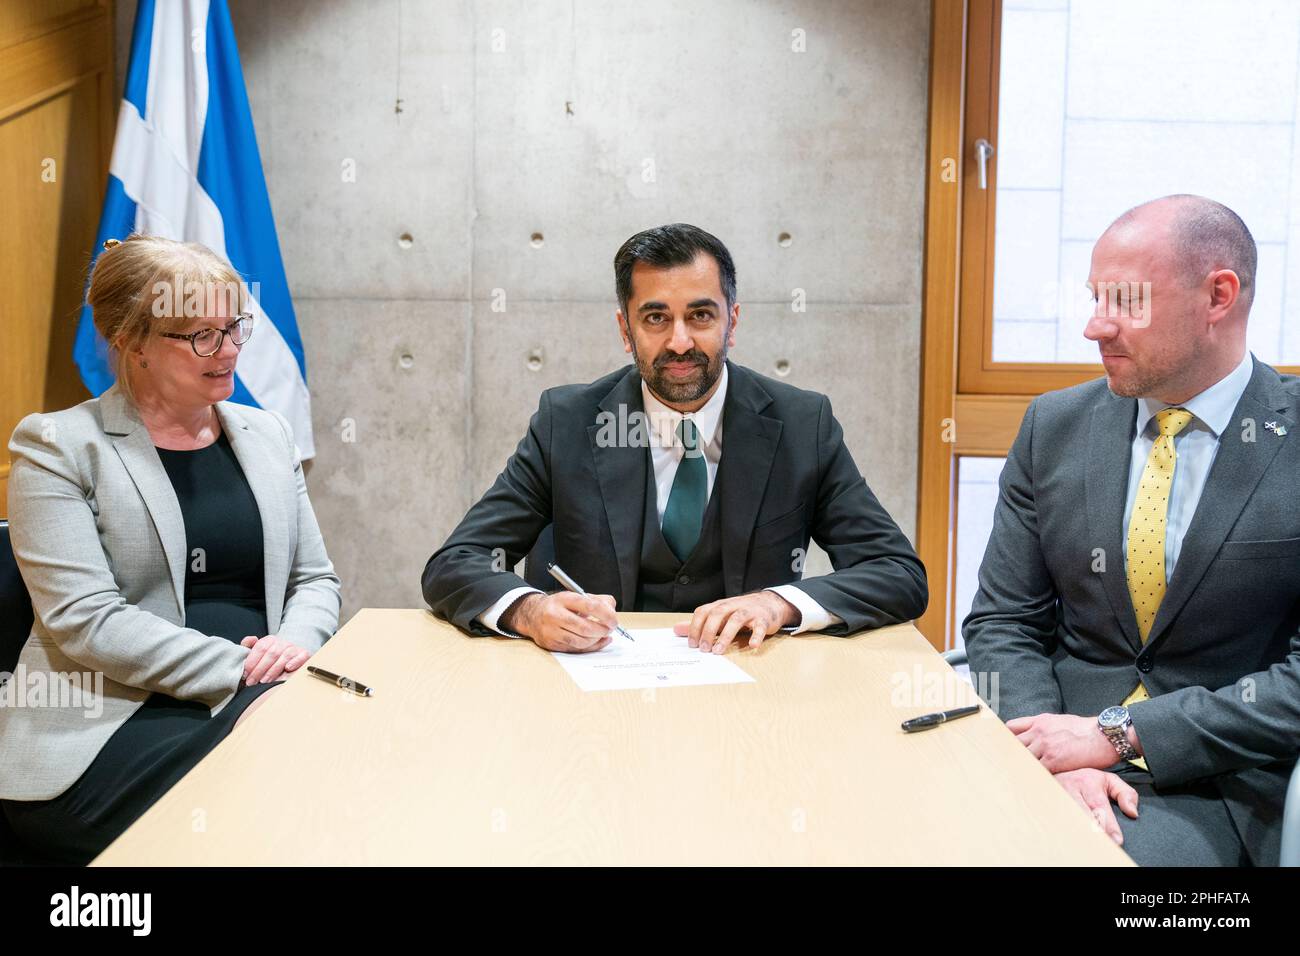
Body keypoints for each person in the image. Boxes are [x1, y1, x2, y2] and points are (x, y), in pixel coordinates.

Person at [964, 195, 1299, 866]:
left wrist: (1118, 736)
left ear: (1218, 296)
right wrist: (1054, 753)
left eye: (1125, 302)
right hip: (1046, 754)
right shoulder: (1053, 427)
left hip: (1213, 783)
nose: (1095, 327)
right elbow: (1005, 619)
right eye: (1095, 299)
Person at [423, 222, 926, 654]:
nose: (680, 341)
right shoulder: (567, 422)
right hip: (593, 700)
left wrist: (779, 603)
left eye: (701, 315)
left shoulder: (801, 424)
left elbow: (897, 573)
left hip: (751, 691)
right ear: (626, 330)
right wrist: (529, 612)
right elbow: (455, 563)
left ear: (732, 322)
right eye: (656, 318)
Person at [0, 234, 341, 864]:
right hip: (106, 724)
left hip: (266, 697)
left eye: (235, 326)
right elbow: (87, 622)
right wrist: (244, 675)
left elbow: (315, 580)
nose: (229, 350)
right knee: (289, 799)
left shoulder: (265, 433)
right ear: (132, 342)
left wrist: (294, 650)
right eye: (201, 335)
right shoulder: (57, 447)